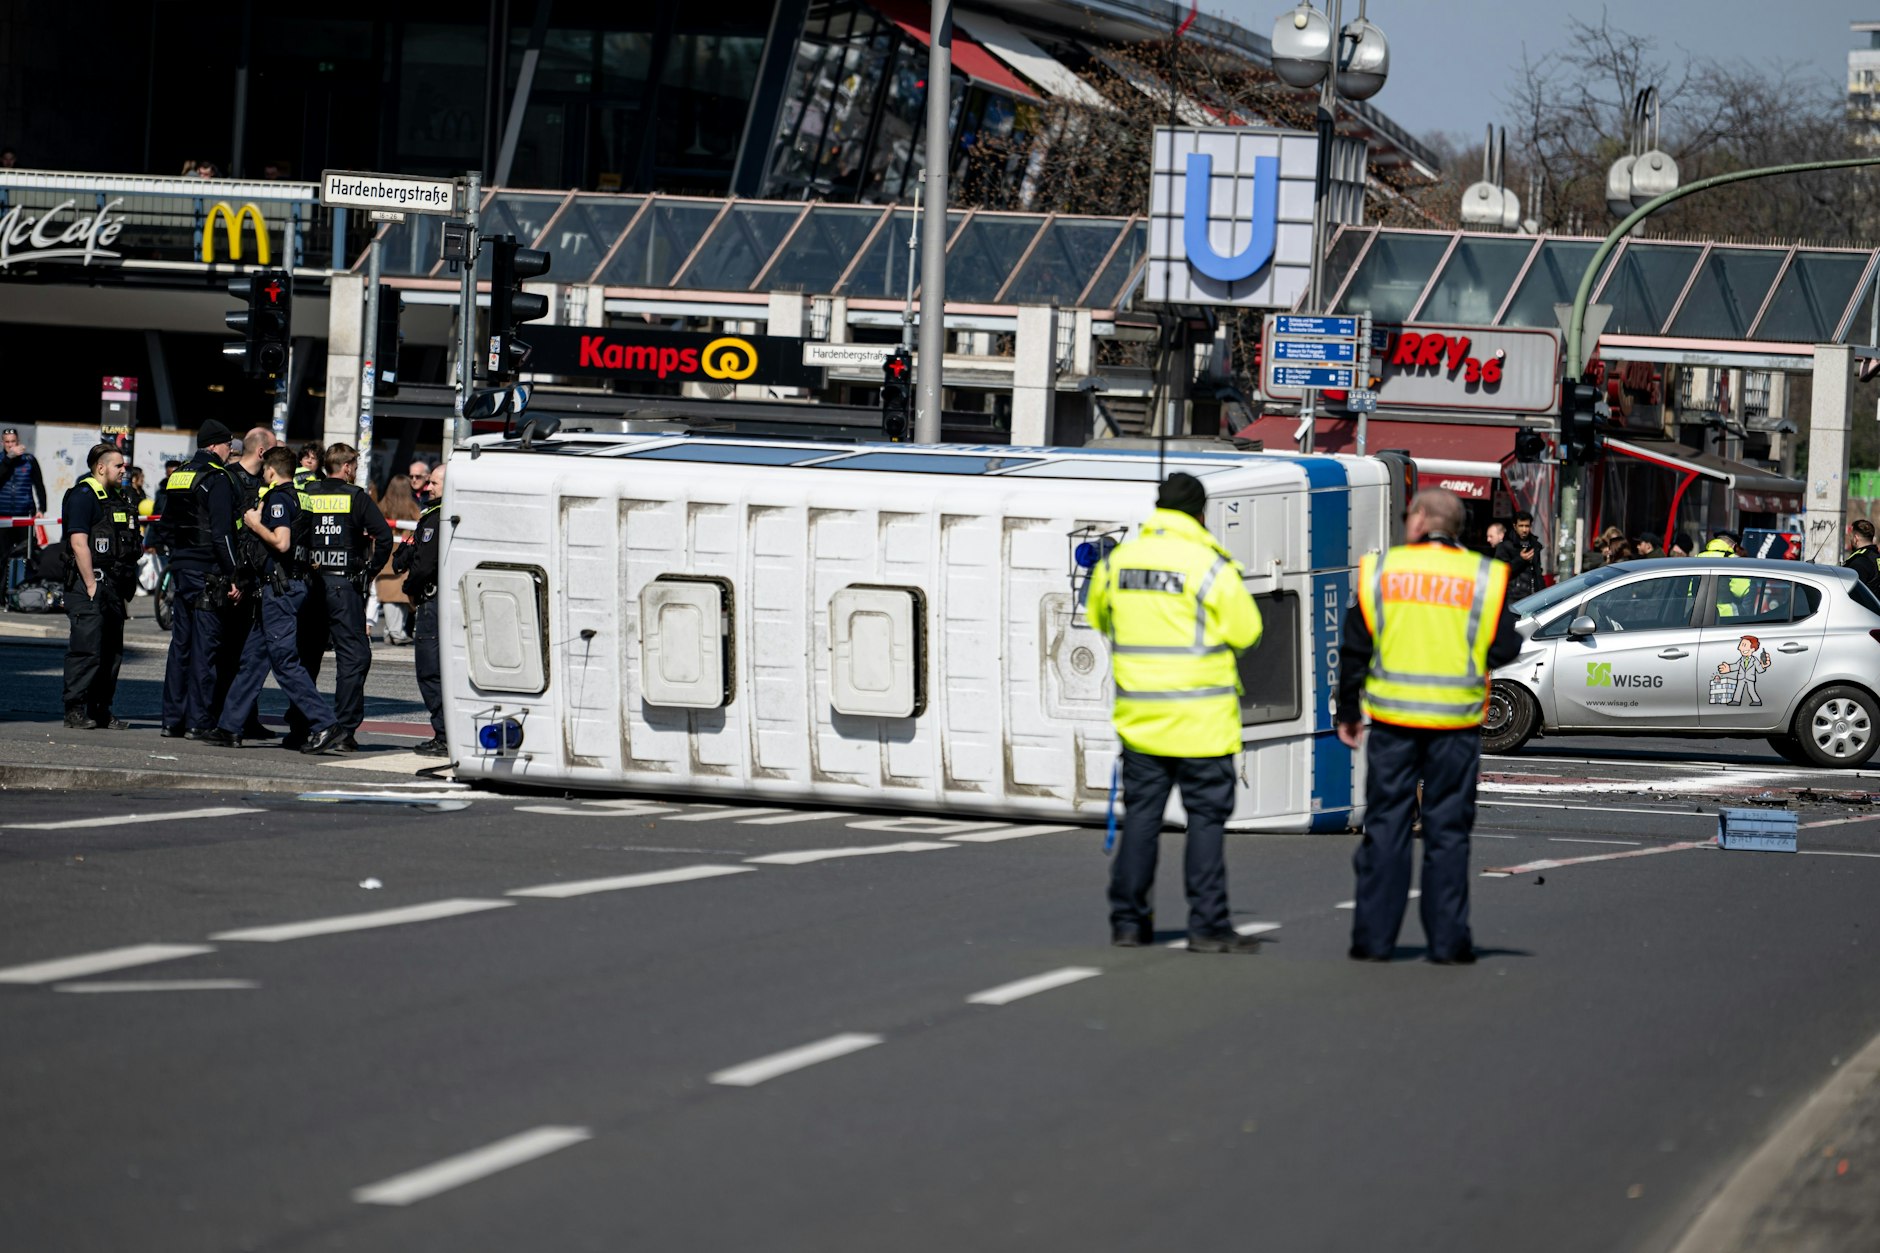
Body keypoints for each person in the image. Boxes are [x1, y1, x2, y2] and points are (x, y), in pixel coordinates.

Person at [1338, 488, 1523, 965]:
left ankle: (1374, 941)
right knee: (1447, 832)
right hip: (1454, 724)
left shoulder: (1384, 570)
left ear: (1420, 520)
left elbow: (1356, 643)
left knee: (1387, 828)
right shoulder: (1483, 575)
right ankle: (1447, 943)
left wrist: (1348, 711)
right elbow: (1505, 649)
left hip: (1394, 722)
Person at [1085, 473, 1265, 954]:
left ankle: (1128, 922)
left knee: (1142, 819)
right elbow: (1248, 631)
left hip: (1142, 722)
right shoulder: (1210, 565)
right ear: (1200, 513)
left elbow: (1099, 617)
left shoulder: (1119, 561)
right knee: (1204, 822)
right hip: (1203, 724)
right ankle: (1207, 927)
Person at [205, 448, 344, 754]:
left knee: (284, 662)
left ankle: (325, 724)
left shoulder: (280, 497)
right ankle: (229, 727)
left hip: (280, 590)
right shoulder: (302, 496)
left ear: (270, 470)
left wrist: (254, 524)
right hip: (287, 586)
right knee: (253, 659)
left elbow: (282, 541)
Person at [303, 443, 393, 752]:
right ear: (348, 468)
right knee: (354, 658)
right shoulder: (356, 497)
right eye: (354, 465)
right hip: (344, 587)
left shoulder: (309, 493)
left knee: (307, 656)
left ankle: (305, 725)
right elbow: (384, 536)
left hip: (311, 586)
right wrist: (370, 571)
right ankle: (343, 729)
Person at [158, 421, 243, 737]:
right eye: (228, 444)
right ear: (215, 445)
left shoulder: (179, 475)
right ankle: (198, 721)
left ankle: (171, 720)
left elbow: (165, 526)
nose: (230, 450)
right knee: (205, 649)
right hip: (209, 572)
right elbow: (222, 534)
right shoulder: (217, 478)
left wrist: (179, 556)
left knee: (180, 645)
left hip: (182, 570)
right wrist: (233, 573)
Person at [60, 444, 139, 729]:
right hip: (88, 584)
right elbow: (79, 542)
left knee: (110, 652)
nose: (123, 470)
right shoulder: (83, 495)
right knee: (87, 649)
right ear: (101, 467)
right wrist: (91, 583)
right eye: (118, 465)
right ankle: (75, 710)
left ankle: (101, 708)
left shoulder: (118, 498)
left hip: (113, 586)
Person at [216, 427, 280, 741]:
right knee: (230, 655)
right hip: (235, 581)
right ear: (261, 453)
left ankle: (246, 719)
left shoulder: (266, 485)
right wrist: (234, 577)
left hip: (255, 580)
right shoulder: (229, 480)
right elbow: (226, 533)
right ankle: (224, 719)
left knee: (248, 657)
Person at [396, 463, 447, 756]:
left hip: (433, 603)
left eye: (435, 484)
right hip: (445, 602)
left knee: (430, 670)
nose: (428, 488)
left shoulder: (435, 519)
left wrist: (409, 590)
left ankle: (443, 734)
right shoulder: (443, 516)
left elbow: (424, 566)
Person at [373, 473, 422, 644]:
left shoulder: (381, 507)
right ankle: (396, 632)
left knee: (386, 595)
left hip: (384, 556)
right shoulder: (412, 508)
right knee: (401, 596)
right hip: (403, 557)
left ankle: (391, 631)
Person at [1, 426, 48, 599]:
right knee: (2, 556)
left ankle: (25, 592)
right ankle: (1, 595)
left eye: (13, 442)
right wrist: (8, 459)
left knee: (27, 555)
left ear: (18, 442)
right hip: (3, 516)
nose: (11, 445)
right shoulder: (1, 460)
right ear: (2, 443)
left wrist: (42, 509)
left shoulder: (29, 460)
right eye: (7, 442)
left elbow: (39, 485)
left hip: (24, 516)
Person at [1493, 510, 1543, 600]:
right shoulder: (1505, 546)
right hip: (1512, 597)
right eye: (1521, 526)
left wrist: (1542, 593)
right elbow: (1500, 571)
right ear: (1515, 526)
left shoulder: (1535, 545)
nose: (1524, 530)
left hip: (1533, 596)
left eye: (1527, 526)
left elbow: (1538, 572)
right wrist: (1520, 559)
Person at [1846, 519, 1880, 595]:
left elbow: (1851, 592)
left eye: (1851, 537)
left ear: (1856, 538)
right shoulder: (1876, 557)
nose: (1850, 540)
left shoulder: (1859, 562)